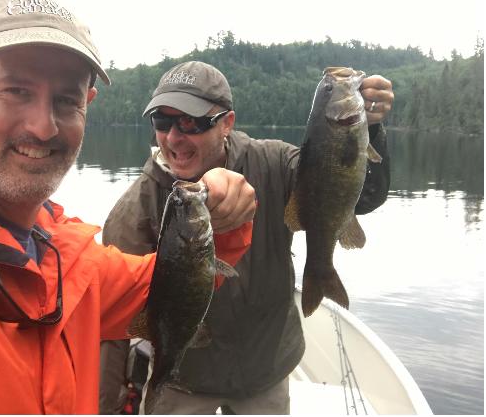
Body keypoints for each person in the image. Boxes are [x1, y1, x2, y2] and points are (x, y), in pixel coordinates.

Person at [0, 0, 257, 414]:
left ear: (86, 106)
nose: (43, 126)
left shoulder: (67, 253)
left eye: (66, 100)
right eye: (16, 90)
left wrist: (224, 217)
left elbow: (175, 286)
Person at [98, 60, 393, 414]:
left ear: (227, 123)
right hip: (183, 381)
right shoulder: (135, 209)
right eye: (162, 121)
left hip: (265, 370)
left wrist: (368, 132)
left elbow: (359, 195)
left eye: (190, 122)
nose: (174, 137)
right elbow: (111, 326)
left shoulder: (275, 163)